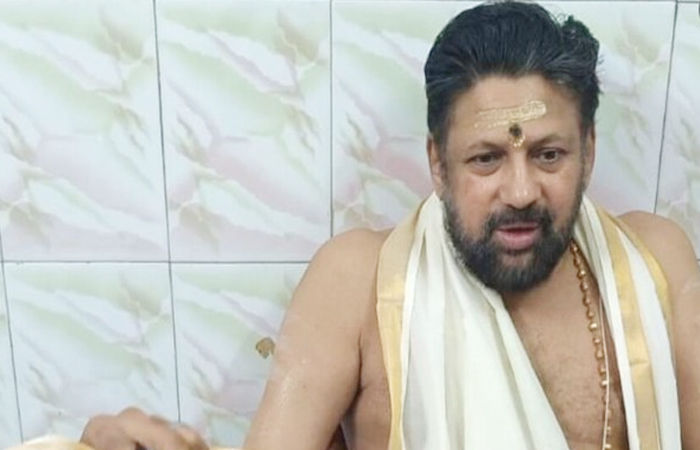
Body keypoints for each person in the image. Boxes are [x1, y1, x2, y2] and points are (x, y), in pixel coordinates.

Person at [79, 1, 700, 449]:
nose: (520, 192)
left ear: (588, 150)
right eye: (486, 159)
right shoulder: (356, 281)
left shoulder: (657, 262)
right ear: (437, 163)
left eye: (549, 155)